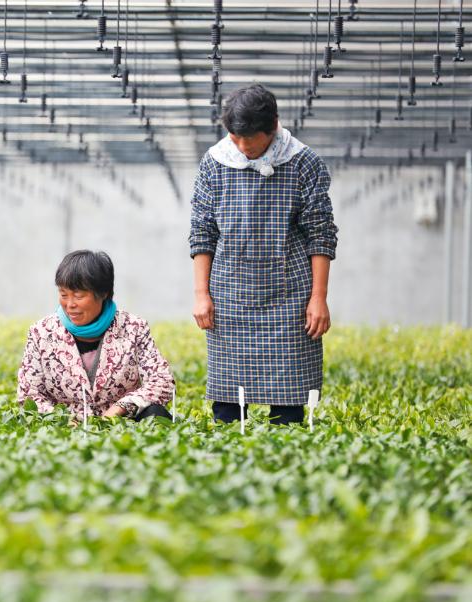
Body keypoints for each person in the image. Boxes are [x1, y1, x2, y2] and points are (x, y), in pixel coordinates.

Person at [189, 83, 338, 425]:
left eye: (250, 138)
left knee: (288, 405)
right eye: (235, 137)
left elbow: (321, 234)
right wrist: (202, 294)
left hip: (290, 298)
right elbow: (202, 233)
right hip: (229, 296)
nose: (241, 147)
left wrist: (318, 298)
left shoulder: (304, 163)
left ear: (273, 126)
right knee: (227, 407)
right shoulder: (215, 163)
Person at [17, 250, 176, 421]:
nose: (70, 304)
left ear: (103, 293)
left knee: (156, 415)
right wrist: (63, 421)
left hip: (122, 424)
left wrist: (120, 408)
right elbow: (29, 394)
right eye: (63, 295)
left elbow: (163, 381)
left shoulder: (134, 328)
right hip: (64, 429)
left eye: (79, 295)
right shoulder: (41, 332)